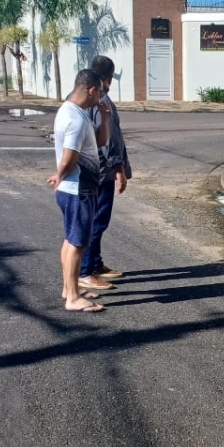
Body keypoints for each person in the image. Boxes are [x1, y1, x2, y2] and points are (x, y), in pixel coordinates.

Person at [48, 69, 110, 312]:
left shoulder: (73, 112)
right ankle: (73, 297)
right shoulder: (74, 118)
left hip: (76, 188)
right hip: (78, 189)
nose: (101, 98)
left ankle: (69, 288)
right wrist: (60, 176)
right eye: (101, 93)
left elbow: (100, 141)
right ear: (91, 90)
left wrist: (103, 119)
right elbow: (69, 156)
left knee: (70, 240)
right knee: (77, 243)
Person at [78, 55, 132, 291]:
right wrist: (119, 168)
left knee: (96, 220)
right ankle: (86, 271)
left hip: (94, 168)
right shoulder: (103, 100)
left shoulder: (90, 99)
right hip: (102, 170)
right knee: (97, 221)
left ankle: (96, 264)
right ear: (109, 78)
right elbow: (109, 141)